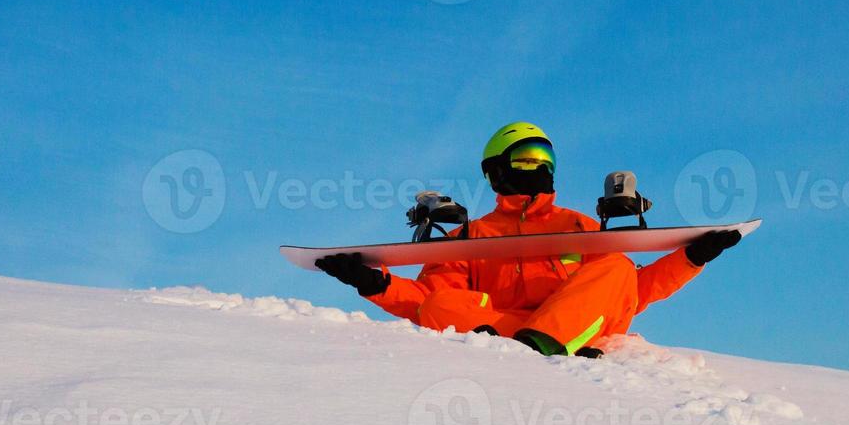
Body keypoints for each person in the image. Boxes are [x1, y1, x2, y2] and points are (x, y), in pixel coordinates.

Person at [315, 122, 741, 357]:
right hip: (509, 330)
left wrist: (690, 259)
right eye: (526, 159)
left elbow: (630, 292)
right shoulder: (473, 236)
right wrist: (378, 284)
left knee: (615, 267)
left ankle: (548, 340)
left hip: (581, 326)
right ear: (498, 170)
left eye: (546, 160)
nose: (538, 168)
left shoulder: (577, 226)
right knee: (439, 306)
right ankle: (541, 343)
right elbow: (431, 299)